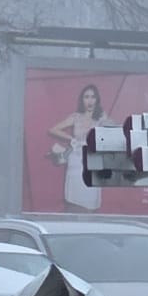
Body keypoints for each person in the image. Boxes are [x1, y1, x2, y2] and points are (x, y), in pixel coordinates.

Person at [50, 82, 106, 211]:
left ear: (97, 99)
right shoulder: (75, 117)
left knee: (90, 199)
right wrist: (71, 139)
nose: (90, 101)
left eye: (93, 97)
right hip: (76, 160)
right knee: (74, 198)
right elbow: (53, 129)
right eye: (86, 97)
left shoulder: (101, 118)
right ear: (82, 100)